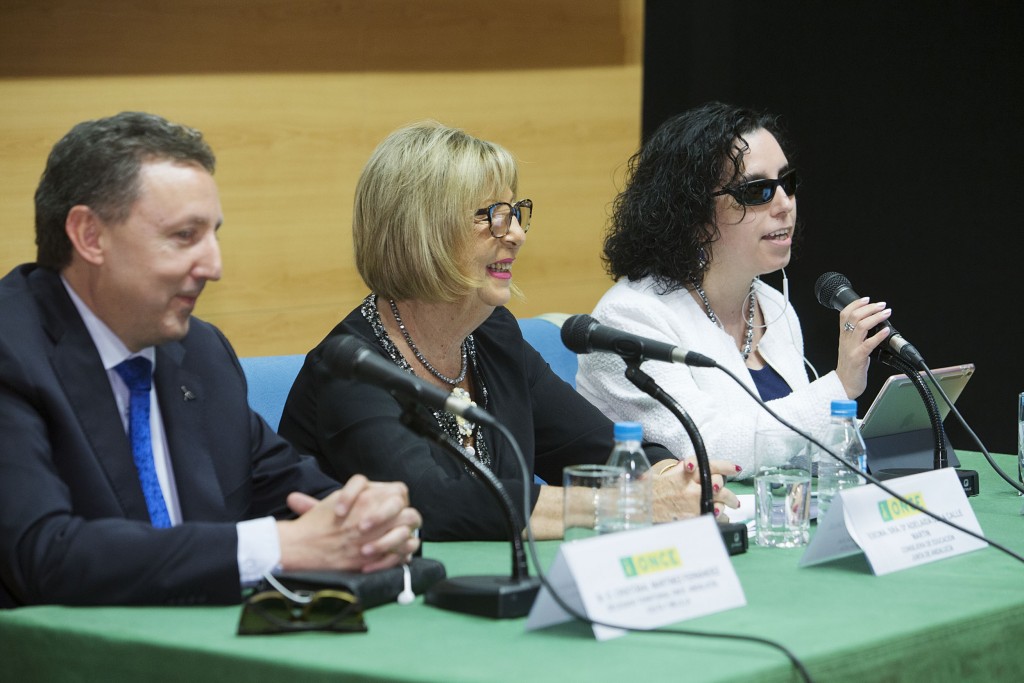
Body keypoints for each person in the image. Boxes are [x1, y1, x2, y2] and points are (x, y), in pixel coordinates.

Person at [0, 112, 421, 608]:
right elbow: (44, 556)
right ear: (90, 236)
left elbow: (293, 492)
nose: (214, 266)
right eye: (184, 236)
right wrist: (275, 548)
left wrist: (366, 519)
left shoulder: (200, 353)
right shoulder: (13, 350)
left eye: (213, 234)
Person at [278, 122, 739, 541]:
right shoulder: (349, 368)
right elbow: (430, 503)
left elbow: (594, 446)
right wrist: (627, 501)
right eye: (493, 215)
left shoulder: (491, 336)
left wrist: (668, 477)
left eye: (516, 212)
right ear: (424, 231)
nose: (516, 233)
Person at [576, 102, 891, 476]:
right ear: (691, 211)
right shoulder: (630, 319)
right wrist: (839, 386)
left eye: (787, 183)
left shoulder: (773, 305)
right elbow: (710, 450)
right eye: (757, 191)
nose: (784, 204)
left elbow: (797, 450)